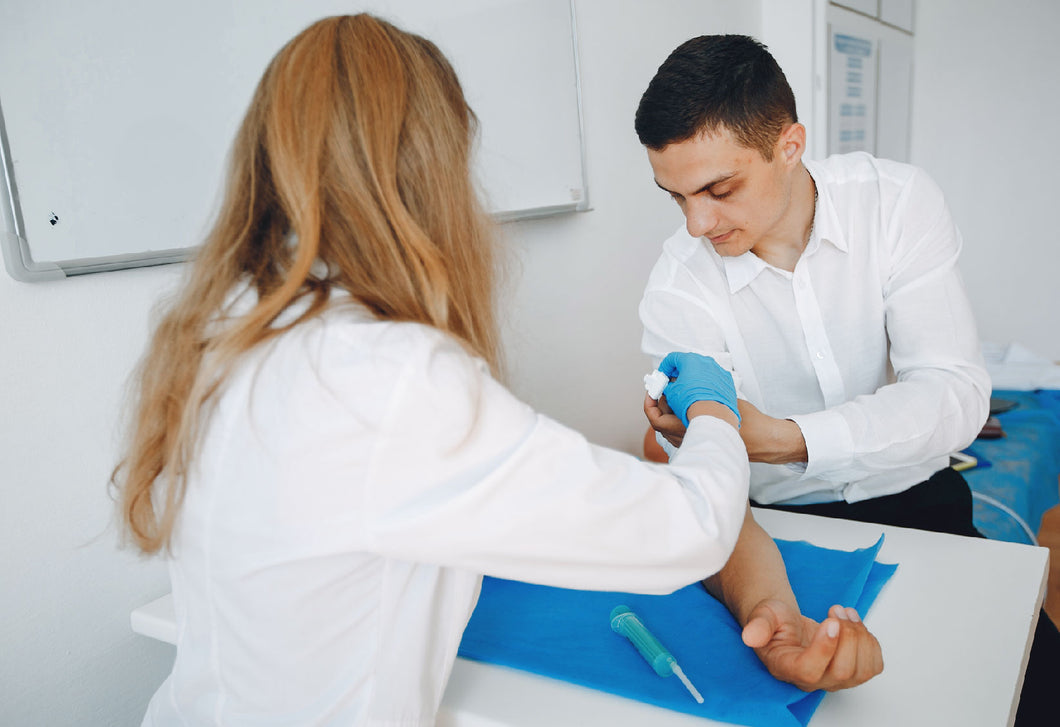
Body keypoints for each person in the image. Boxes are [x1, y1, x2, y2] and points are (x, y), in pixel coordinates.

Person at [112, 16, 882, 727]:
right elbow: (685, 526)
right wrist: (714, 408)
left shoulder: (226, 333)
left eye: (719, 190)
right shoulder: (391, 378)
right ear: (430, 173)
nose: (699, 222)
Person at [634, 33, 1058, 725]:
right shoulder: (678, 285)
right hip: (772, 529)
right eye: (675, 196)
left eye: (719, 189)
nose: (697, 223)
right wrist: (770, 608)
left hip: (919, 497)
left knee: (1030, 689)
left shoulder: (895, 203)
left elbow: (952, 391)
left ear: (791, 145)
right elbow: (708, 486)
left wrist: (790, 438)